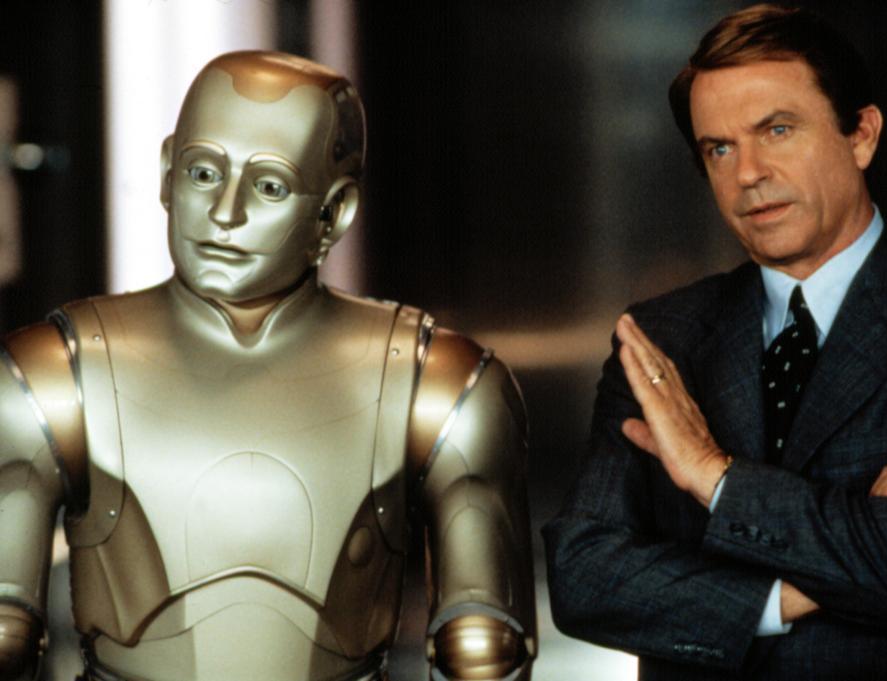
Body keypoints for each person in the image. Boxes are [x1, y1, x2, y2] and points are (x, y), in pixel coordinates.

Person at [0, 51, 536, 681]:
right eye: (204, 173)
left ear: (335, 212)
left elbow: (486, 644)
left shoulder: (438, 384)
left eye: (269, 186)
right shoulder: (54, 375)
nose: (225, 214)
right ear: (168, 173)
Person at [543, 5, 887, 680]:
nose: (748, 172)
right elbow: (583, 574)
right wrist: (791, 593)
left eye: (777, 130)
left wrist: (715, 477)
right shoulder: (661, 338)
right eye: (719, 149)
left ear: (862, 135)